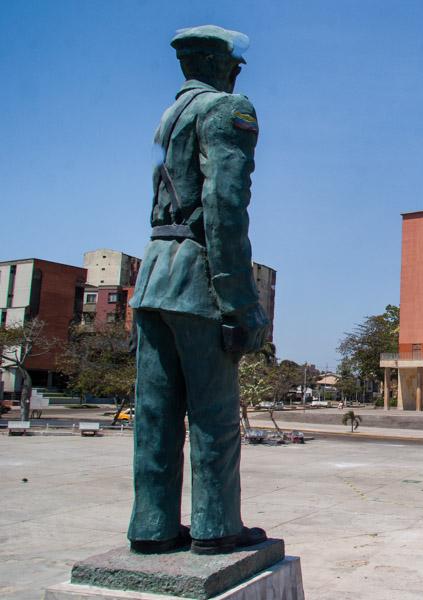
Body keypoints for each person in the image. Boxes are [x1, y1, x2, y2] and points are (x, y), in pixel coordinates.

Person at [127, 25, 270, 555]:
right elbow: (225, 207)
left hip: (153, 276)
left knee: (156, 416)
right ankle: (215, 527)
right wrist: (239, 299)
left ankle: (152, 527)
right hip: (196, 279)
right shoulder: (226, 110)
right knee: (213, 416)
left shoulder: (169, 116)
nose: (238, 72)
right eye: (234, 63)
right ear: (218, 64)